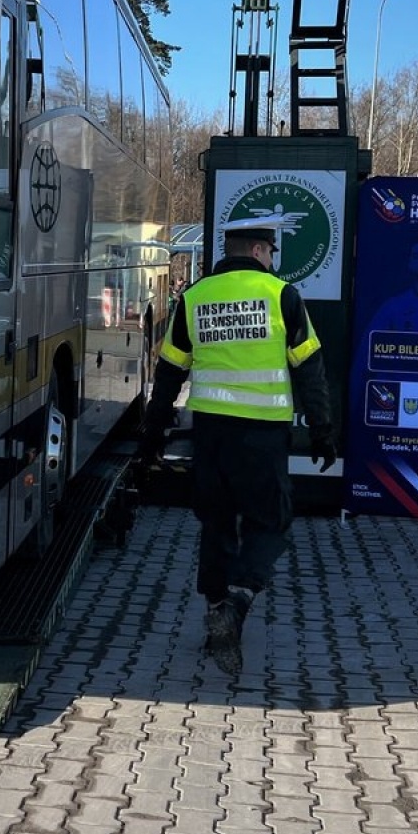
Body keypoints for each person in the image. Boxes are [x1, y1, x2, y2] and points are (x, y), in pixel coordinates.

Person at [139, 217, 338, 677]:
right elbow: (309, 366)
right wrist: (322, 429)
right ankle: (239, 600)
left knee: (216, 523)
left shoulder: (195, 297)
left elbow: (169, 372)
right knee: (271, 521)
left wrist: (152, 433)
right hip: (262, 434)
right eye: (270, 253)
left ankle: (216, 614)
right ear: (258, 251)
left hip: (210, 433)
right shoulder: (281, 295)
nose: (271, 261)